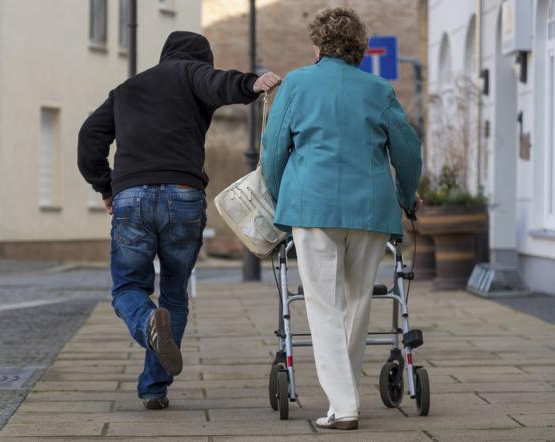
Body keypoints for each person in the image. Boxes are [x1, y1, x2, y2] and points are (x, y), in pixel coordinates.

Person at [78, 31, 280, 410]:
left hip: (132, 198)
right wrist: (251, 83)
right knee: (174, 294)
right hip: (184, 198)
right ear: (199, 60)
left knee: (126, 289)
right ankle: (154, 386)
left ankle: (147, 328)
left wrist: (104, 186)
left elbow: (90, 136)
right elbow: (217, 83)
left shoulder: (126, 89)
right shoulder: (192, 74)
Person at [261, 7, 422, 430]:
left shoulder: (296, 83)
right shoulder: (378, 88)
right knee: (357, 301)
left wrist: (281, 197)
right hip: (370, 209)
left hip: (312, 207)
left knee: (322, 305)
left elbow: (274, 148)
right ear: (361, 49)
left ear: (317, 46)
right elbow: (407, 151)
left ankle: (344, 405)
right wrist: (408, 197)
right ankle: (345, 396)